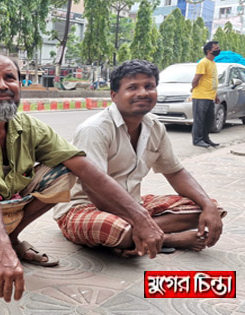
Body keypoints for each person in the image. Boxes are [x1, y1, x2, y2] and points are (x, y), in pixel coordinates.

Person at [0, 54, 165, 303]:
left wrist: (139, 216)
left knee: (66, 169)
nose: (3, 85)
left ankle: (13, 240)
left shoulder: (28, 126)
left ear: (19, 86)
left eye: (10, 78)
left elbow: (86, 169)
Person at [53, 59, 225, 257]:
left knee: (210, 209)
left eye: (149, 86)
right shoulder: (95, 129)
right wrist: (138, 218)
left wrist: (207, 206)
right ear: (114, 96)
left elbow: (175, 172)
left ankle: (138, 237)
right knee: (112, 227)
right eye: (132, 87)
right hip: (84, 207)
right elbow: (93, 188)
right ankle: (167, 238)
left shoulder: (155, 126)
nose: (143, 93)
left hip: (132, 205)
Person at [191, 41, 221, 148]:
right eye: (216, 48)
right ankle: (197, 140)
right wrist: (193, 89)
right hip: (201, 96)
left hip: (210, 96)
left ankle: (205, 138)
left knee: (209, 119)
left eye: (218, 48)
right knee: (199, 119)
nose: (218, 49)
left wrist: (215, 95)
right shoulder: (203, 63)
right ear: (209, 51)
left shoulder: (212, 63)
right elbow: (196, 79)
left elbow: (212, 80)